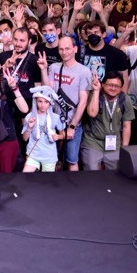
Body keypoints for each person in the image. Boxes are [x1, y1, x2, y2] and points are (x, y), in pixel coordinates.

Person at [37, 36, 92, 171]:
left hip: (72, 122)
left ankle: (74, 185)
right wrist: (43, 70)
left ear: (75, 49)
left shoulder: (84, 71)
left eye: (67, 49)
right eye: (61, 49)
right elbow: (47, 90)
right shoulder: (54, 68)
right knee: (50, 159)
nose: (64, 52)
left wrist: (72, 126)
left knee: (72, 160)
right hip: (54, 121)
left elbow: (83, 101)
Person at [82, 72, 134, 171]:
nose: (113, 88)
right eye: (110, 85)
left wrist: (125, 148)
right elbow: (92, 113)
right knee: (92, 172)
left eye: (117, 86)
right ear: (103, 84)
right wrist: (96, 91)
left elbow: (127, 125)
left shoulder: (124, 99)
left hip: (114, 143)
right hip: (93, 141)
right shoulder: (95, 95)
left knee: (115, 173)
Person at [21, 86, 65, 173]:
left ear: (50, 103)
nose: (43, 105)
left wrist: (58, 137)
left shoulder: (55, 117)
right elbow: (24, 138)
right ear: (36, 101)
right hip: (33, 155)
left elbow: (64, 134)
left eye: (46, 102)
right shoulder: (30, 116)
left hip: (49, 156)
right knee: (25, 177)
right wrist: (29, 127)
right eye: (40, 101)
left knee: (47, 181)